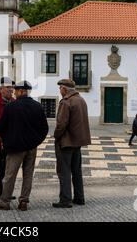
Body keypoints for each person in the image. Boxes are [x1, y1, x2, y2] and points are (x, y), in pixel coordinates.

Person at [0, 81, 48, 211]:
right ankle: (24, 201)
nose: (14, 93)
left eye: (16, 91)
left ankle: (4, 201)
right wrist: (36, 142)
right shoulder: (37, 106)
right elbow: (44, 129)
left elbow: (0, 127)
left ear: (21, 91)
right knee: (28, 175)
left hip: (15, 147)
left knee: (10, 175)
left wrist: (6, 140)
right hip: (31, 147)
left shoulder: (11, 107)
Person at [53, 79, 91, 208]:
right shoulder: (81, 100)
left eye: (60, 88)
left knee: (63, 171)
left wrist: (56, 136)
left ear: (64, 89)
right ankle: (79, 197)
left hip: (66, 142)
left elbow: (61, 124)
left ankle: (65, 200)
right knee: (76, 171)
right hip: (77, 142)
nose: (59, 91)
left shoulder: (66, 102)